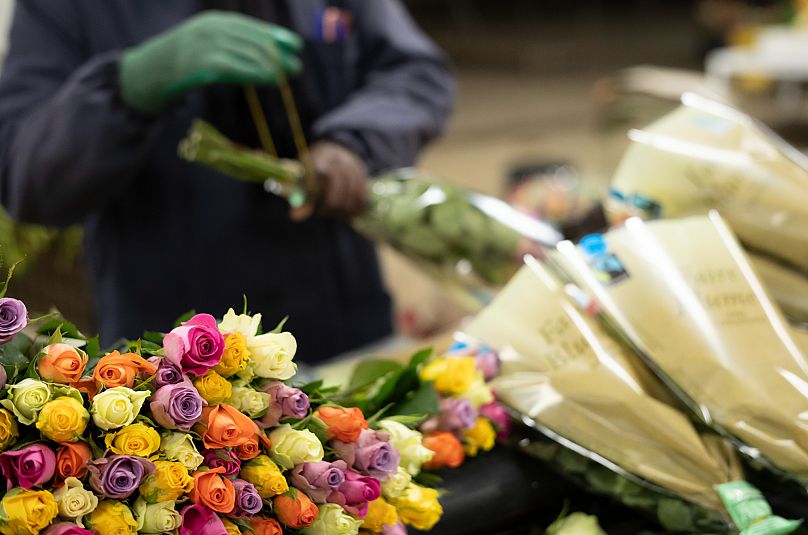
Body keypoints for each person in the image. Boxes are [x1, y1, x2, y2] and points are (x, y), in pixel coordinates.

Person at [0, 1, 455, 362]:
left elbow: (416, 73)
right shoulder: (64, 7)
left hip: (346, 330)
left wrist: (354, 143)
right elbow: (27, 180)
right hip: (176, 375)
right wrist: (128, 85)